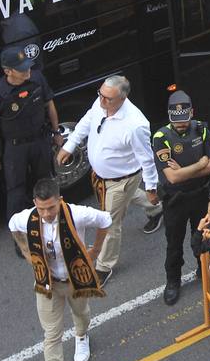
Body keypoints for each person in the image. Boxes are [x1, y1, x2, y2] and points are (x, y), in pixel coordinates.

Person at [9, 178, 111, 361]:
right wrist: (26, 251)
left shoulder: (77, 214)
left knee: (81, 313)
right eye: (41, 208)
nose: (46, 213)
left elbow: (106, 220)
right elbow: (12, 225)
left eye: (51, 208)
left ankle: (82, 336)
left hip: (74, 279)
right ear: (35, 203)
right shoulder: (27, 217)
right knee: (51, 333)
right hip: (47, 283)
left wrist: (95, 249)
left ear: (60, 201)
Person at [57, 75, 160, 283]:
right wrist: (69, 146)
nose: (102, 101)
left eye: (108, 99)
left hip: (121, 180)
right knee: (126, 198)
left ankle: (104, 266)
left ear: (123, 98)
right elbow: (86, 122)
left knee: (110, 223)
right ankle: (156, 209)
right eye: (100, 95)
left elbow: (147, 159)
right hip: (104, 178)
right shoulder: (102, 102)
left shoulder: (135, 125)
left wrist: (152, 187)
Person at [150, 89, 210, 306]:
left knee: (203, 236)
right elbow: (172, 177)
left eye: (184, 119)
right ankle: (173, 281)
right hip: (176, 200)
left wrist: (185, 171)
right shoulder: (161, 137)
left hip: (201, 195)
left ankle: (203, 268)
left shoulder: (202, 129)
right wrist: (200, 165)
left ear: (192, 113)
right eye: (176, 121)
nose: (181, 124)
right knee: (174, 243)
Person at [0, 45, 60, 235]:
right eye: (22, 68)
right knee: (16, 192)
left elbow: (49, 104)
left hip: (40, 141)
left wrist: (56, 132)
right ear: (8, 71)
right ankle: (20, 236)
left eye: (28, 66)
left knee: (46, 184)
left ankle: (53, 228)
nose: (27, 71)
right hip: (15, 148)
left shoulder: (37, 78)